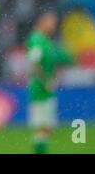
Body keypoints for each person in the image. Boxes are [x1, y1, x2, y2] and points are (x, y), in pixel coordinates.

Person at [24, 9, 74, 154]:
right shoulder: (36, 40)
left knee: (47, 128)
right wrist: (46, 81)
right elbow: (33, 65)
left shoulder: (45, 40)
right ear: (42, 22)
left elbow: (54, 61)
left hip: (46, 89)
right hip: (40, 90)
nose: (53, 25)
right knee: (41, 128)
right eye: (51, 22)